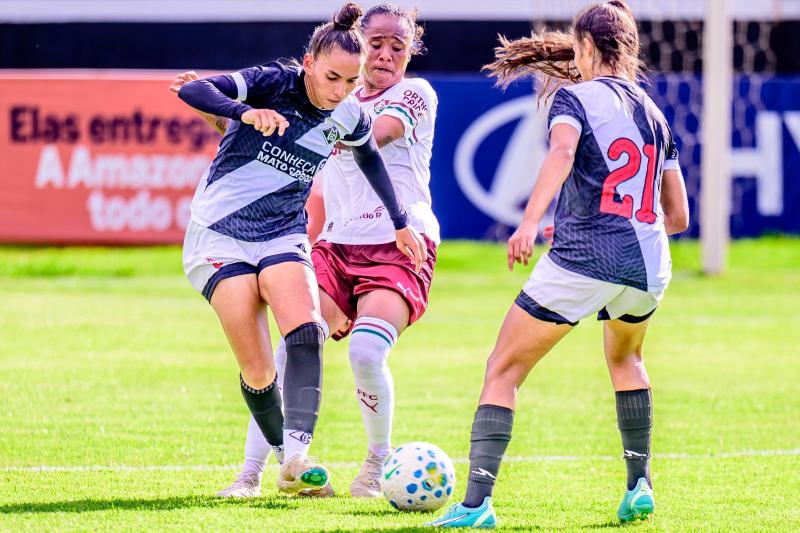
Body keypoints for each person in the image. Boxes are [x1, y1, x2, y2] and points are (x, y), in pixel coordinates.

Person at [428, 0, 689, 527]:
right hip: (648, 267)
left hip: (586, 259)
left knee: (503, 368)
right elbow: (678, 215)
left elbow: (563, 154)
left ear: (586, 47)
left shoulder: (574, 97)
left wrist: (529, 222)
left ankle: (477, 504)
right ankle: (640, 486)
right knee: (626, 361)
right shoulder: (656, 115)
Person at [176, 2, 426, 497]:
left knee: (306, 331)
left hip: (283, 233)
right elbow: (193, 88)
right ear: (309, 62)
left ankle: (295, 459)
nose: (340, 93)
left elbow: (372, 160)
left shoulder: (349, 112)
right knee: (259, 369)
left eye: (351, 84)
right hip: (218, 236)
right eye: (332, 78)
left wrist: (400, 223)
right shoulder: (273, 81)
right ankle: (270, 466)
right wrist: (244, 111)